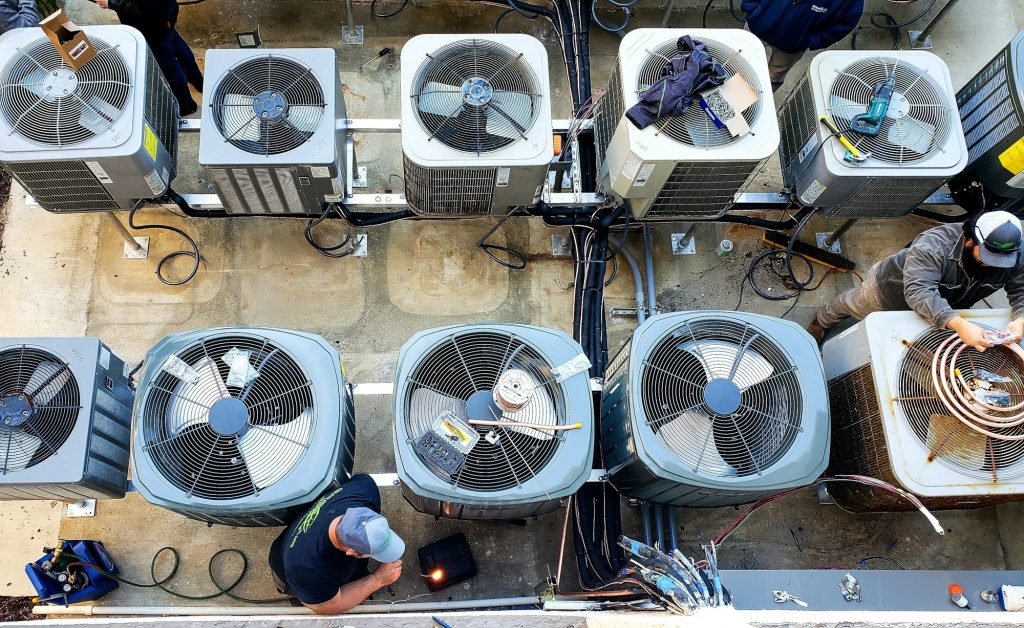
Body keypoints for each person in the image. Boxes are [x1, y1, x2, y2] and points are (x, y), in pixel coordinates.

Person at [808, 211, 1024, 351]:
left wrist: (1021, 318)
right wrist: (957, 323)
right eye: (988, 258)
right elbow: (918, 291)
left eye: (1002, 261)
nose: (995, 265)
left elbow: (1021, 289)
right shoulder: (934, 245)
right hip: (890, 290)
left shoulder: (1015, 254)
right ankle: (821, 320)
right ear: (970, 240)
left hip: (944, 306)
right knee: (853, 304)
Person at [268, 474, 405, 615]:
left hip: (304, 545)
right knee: (316, 599)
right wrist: (378, 579)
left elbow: (359, 477)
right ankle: (306, 597)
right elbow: (328, 607)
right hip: (285, 567)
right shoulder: (308, 571)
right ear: (351, 552)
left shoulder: (364, 490)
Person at [96, 0, 202, 115]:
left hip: (152, 31)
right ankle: (198, 82)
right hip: (164, 20)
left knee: (171, 71)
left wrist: (110, 3)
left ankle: (186, 106)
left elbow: (142, 10)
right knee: (182, 52)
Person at [741, 0, 864, 91]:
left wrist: (810, 40)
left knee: (773, 76)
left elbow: (846, 22)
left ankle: (758, 99)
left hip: (791, 46)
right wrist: (751, 8)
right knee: (740, 61)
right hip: (756, 27)